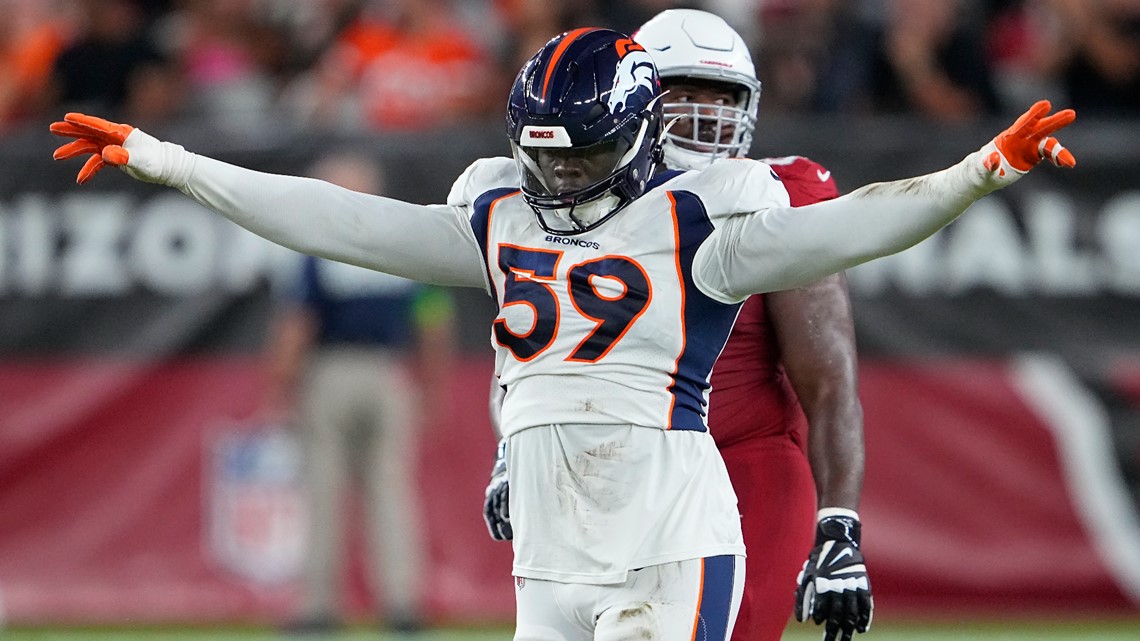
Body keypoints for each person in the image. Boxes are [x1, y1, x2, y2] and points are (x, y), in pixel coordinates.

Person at [51, 27, 1075, 641]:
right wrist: (172, 160)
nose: (565, 179)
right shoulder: (499, 215)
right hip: (552, 542)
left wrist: (984, 168)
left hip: (673, 531)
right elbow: (333, 218)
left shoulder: (703, 224)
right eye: (550, 159)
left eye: (585, 158)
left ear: (637, 134)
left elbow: (864, 220)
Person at [484, 9, 866, 641]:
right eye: (684, 95)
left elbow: (828, 379)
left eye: (722, 99)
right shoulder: (574, 195)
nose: (704, 115)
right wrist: (510, 452)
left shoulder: (769, 195)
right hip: (609, 471)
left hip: (744, 462)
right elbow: (528, 344)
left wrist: (839, 524)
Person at [261, 152, 454, 633]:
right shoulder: (404, 243)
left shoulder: (317, 245)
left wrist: (280, 387)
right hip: (390, 374)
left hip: (331, 373)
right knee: (391, 492)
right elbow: (432, 319)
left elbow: (296, 325)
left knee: (324, 490)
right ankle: (401, 603)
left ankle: (319, 606)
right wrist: (431, 384)